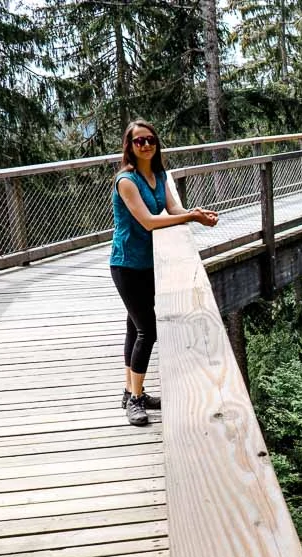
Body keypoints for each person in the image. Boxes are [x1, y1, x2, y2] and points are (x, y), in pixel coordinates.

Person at [111, 119, 218, 426]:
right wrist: (193, 218)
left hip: (148, 262)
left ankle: (132, 389)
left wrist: (196, 214)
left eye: (150, 140)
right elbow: (147, 221)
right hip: (126, 263)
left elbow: (172, 210)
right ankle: (135, 399)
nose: (145, 145)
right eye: (138, 141)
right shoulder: (126, 180)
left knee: (135, 326)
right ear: (129, 147)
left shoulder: (158, 174)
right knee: (148, 330)